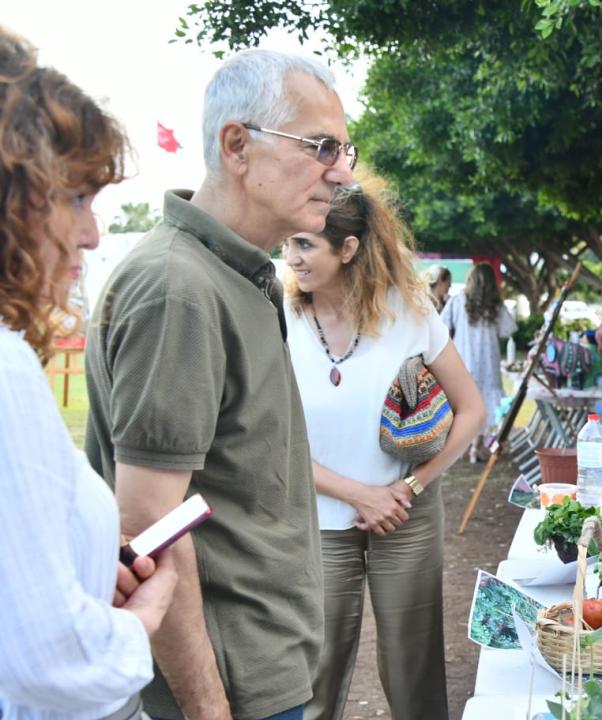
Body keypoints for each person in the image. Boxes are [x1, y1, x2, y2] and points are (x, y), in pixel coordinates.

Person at [85, 48, 356, 720]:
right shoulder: (180, 288)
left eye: (346, 149)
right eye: (322, 146)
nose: (342, 172)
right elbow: (149, 527)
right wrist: (209, 709)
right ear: (238, 145)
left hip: (261, 668)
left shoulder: (234, 276)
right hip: (227, 690)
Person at [0, 26, 176, 720]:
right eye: (76, 198)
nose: (93, 233)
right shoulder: (6, 370)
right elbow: (51, 662)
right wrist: (142, 620)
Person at [283, 179, 484, 720]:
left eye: (305, 245)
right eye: (288, 243)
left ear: (347, 249)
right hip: (320, 518)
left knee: (412, 666)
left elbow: (472, 411)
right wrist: (358, 494)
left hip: (406, 516)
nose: (291, 258)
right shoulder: (278, 318)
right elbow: (271, 439)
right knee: (314, 672)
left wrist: (410, 486)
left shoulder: (410, 312)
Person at [441, 262, 516, 462]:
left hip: (463, 360)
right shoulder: (496, 306)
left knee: (463, 402)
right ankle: (476, 446)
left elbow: (442, 326)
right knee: (484, 402)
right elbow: (508, 330)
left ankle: (462, 446)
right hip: (488, 362)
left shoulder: (458, 301)